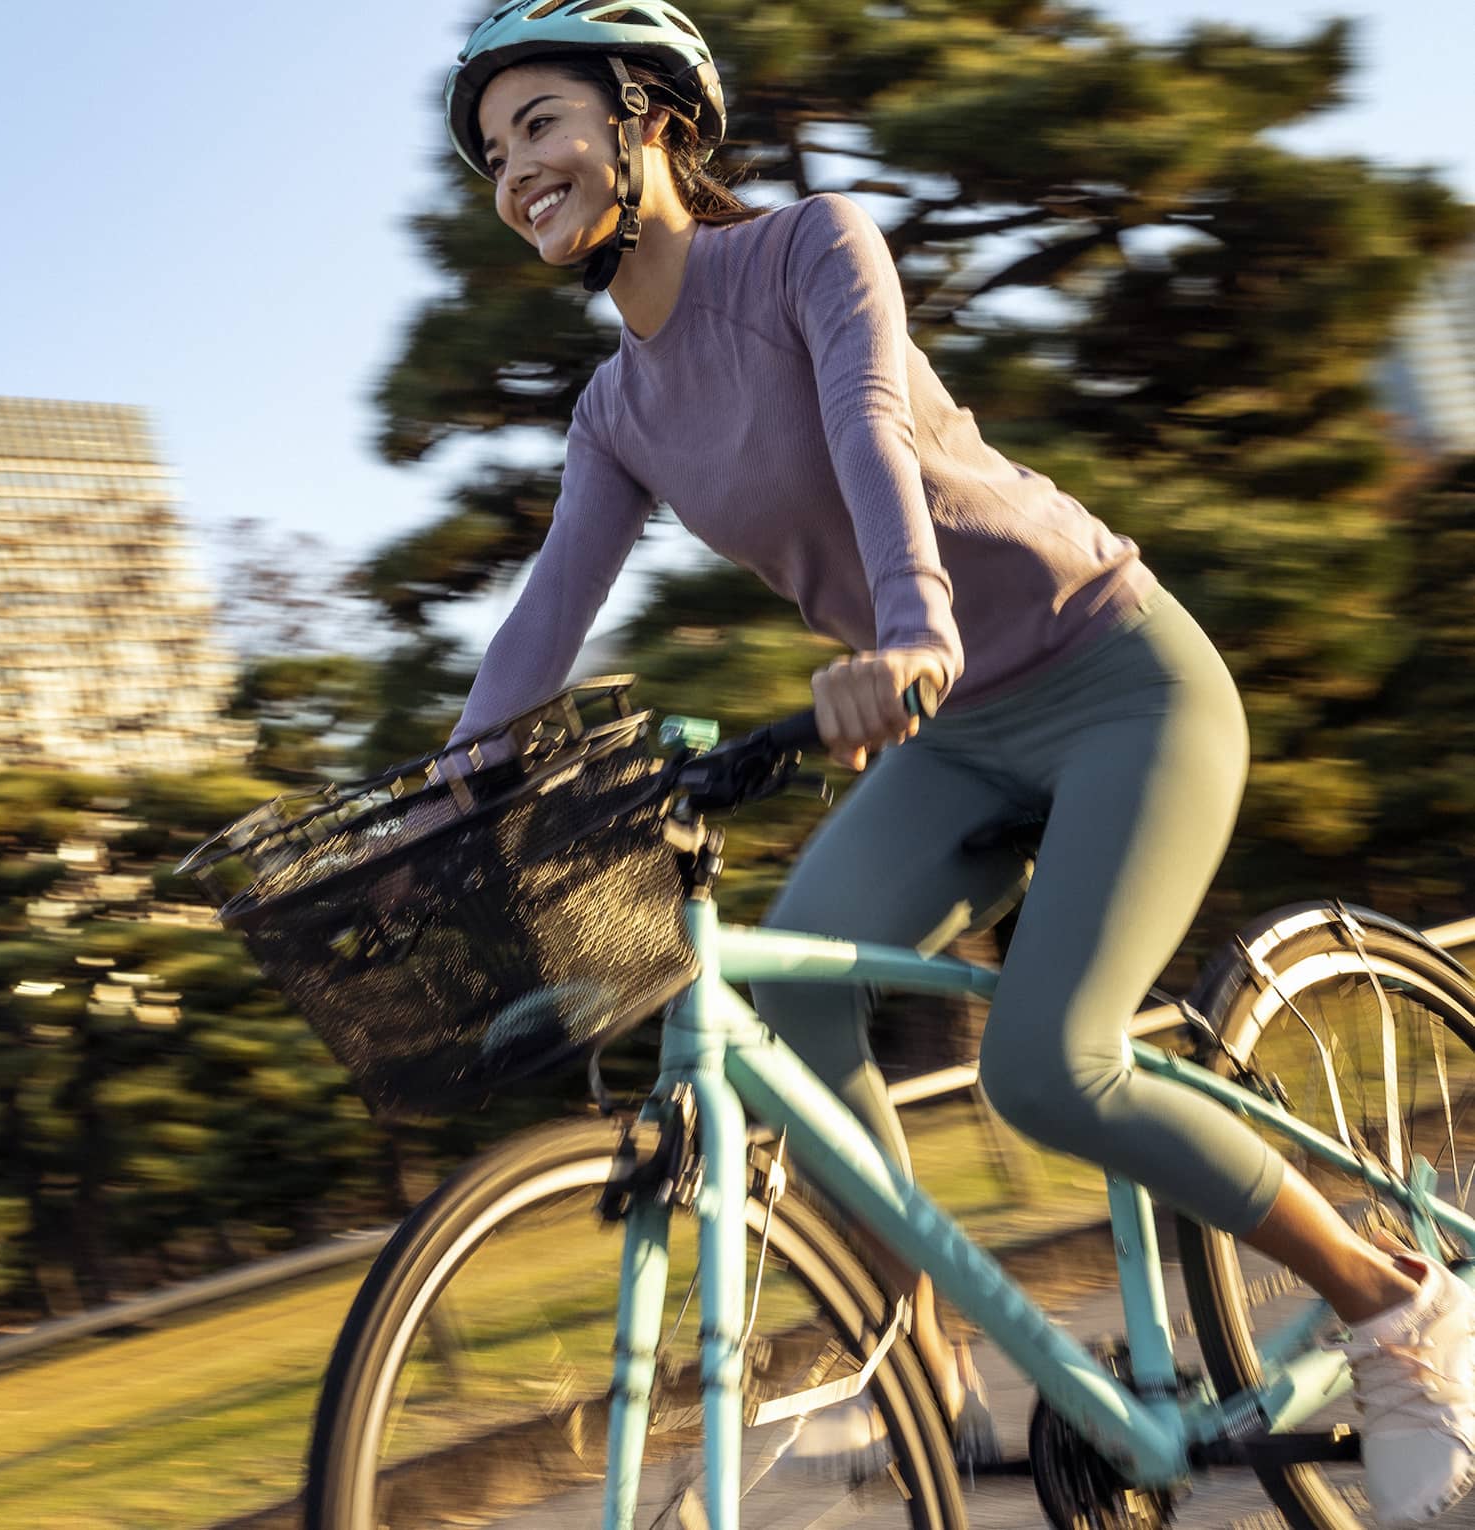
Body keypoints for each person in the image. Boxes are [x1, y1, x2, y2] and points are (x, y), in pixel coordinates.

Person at [440, 3, 1475, 1521]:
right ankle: (906, 1331)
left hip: (1112, 674)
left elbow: (867, 428)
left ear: (647, 116)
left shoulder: (807, 245)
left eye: (539, 124)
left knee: (1052, 1065)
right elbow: (545, 616)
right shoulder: (617, 409)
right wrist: (449, 783)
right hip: (952, 736)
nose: (513, 168)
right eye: (488, 153)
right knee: (783, 995)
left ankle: (1393, 1304)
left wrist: (913, 629)